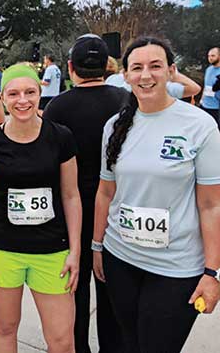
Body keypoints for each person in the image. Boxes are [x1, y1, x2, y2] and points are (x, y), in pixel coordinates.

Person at [92, 36, 220, 353]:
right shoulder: (114, 126)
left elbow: (211, 204)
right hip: (121, 258)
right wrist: (97, 246)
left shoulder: (200, 125)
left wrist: (213, 272)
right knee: (127, 342)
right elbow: (106, 192)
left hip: (176, 268)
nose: (145, 75)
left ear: (171, 71)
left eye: (155, 66)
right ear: (125, 75)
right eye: (136, 67)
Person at [0, 64, 82, 353]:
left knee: (61, 338)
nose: (23, 100)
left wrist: (76, 250)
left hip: (52, 250)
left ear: (40, 92)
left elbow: (71, 195)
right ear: (2, 96)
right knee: (5, 329)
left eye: (30, 92)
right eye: (14, 93)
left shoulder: (61, 137)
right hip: (2, 249)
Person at [43, 34, 127, 353]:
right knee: (110, 288)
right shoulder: (124, 101)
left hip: (70, 208)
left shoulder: (58, 106)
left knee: (74, 286)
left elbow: (49, 161)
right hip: (116, 207)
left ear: (69, 67)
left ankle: (77, 346)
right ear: (107, 66)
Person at [201, 46, 220, 128]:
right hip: (205, 105)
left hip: (216, 108)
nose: (210, 58)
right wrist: (202, 100)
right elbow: (206, 86)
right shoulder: (208, 69)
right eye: (209, 56)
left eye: (213, 56)